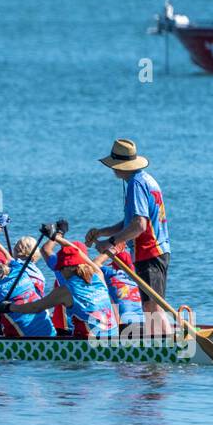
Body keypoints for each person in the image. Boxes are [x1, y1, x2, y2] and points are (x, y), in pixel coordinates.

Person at [86, 139, 172, 332]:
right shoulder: (146, 179)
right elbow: (130, 222)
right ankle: (158, 345)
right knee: (151, 305)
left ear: (120, 165)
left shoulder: (136, 184)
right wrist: (103, 232)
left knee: (152, 306)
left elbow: (139, 226)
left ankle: (168, 347)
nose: (112, 169)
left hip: (149, 251)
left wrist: (111, 242)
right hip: (157, 249)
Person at [9, 239, 117, 337]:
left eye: (60, 268)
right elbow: (77, 252)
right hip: (114, 337)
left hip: (88, 346)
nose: (59, 271)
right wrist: (57, 237)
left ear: (68, 268)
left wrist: (11, 307)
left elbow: (35, 308)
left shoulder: (66, 290)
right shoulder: (97, 275)